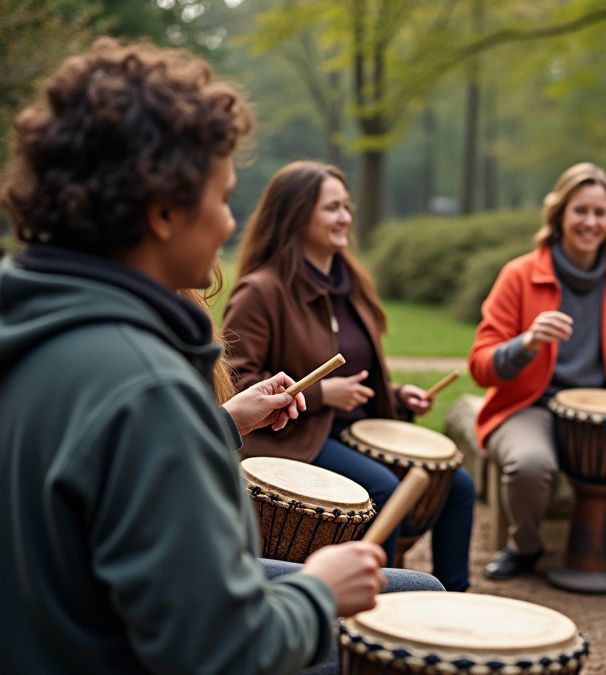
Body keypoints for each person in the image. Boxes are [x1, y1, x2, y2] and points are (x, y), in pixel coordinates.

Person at [0, 39, 438, 675]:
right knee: (413, 627)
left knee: (418, 591)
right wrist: (320, 594)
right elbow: (219, 651)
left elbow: (101, 468)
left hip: (69, 627)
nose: (232, 224)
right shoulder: (145, 385)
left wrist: (226, 421)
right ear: (163, 211)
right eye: (224, 197)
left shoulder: (35, 323)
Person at [223, 161, 474, 592]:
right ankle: (377, 605)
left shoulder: (351, 284)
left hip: (351, 430)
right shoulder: (261, 291)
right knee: (383, 488)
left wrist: (397, 395)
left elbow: (361, 373)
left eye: (346, 206)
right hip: (296, 438)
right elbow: (238, 382)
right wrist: (322, 394)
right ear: (297, 214)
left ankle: (454, 599)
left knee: (459, 485)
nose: (345, 217)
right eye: (332, 208)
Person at [468, 162, 606, 581]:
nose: (590, 222)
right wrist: (526, 343)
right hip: (530, 407)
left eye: (600, 213)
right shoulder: (519, 275)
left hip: (604, 415)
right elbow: (481, 366)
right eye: (580, 211)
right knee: (529, 465)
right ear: (559, 216)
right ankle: (525, 548)